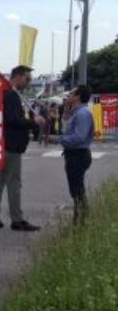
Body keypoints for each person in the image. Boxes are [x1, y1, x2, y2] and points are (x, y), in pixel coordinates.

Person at [0, 66, 44, 232]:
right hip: (12, 146)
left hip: (2, 144)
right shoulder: (11, 95)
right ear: (18, 77)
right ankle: (17, 219)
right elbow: (13, 120)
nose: (28, 83)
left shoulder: (3, 93)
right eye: (27, 79)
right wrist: (34, 122)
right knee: (14, 183)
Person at [58, 86, 95, 223]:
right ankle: (80, 220)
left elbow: (79, 137)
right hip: (75, 154)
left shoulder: (82, 114)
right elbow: (66, 130)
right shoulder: (76, 112)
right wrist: (66, 114)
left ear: (78, 96)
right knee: (76, 189)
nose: (68, 96)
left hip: (78, 155)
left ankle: (80, 222)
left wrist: (61, 140)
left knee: (77, 190)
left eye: (71, 93)